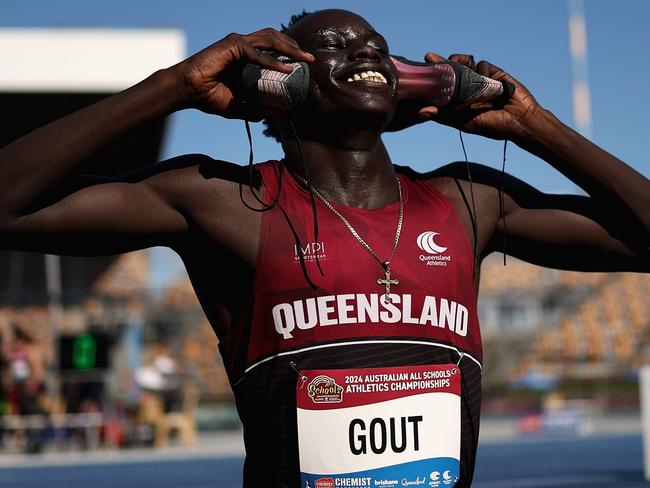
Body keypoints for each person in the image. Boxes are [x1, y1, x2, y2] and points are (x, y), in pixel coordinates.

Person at [0, 8, 647, 487]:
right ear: (278, 86)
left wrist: (534, 126)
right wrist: (174, 88)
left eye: (377, 47)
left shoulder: (467, 202)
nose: (363, 50)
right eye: (333, 45)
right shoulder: (222, 200)